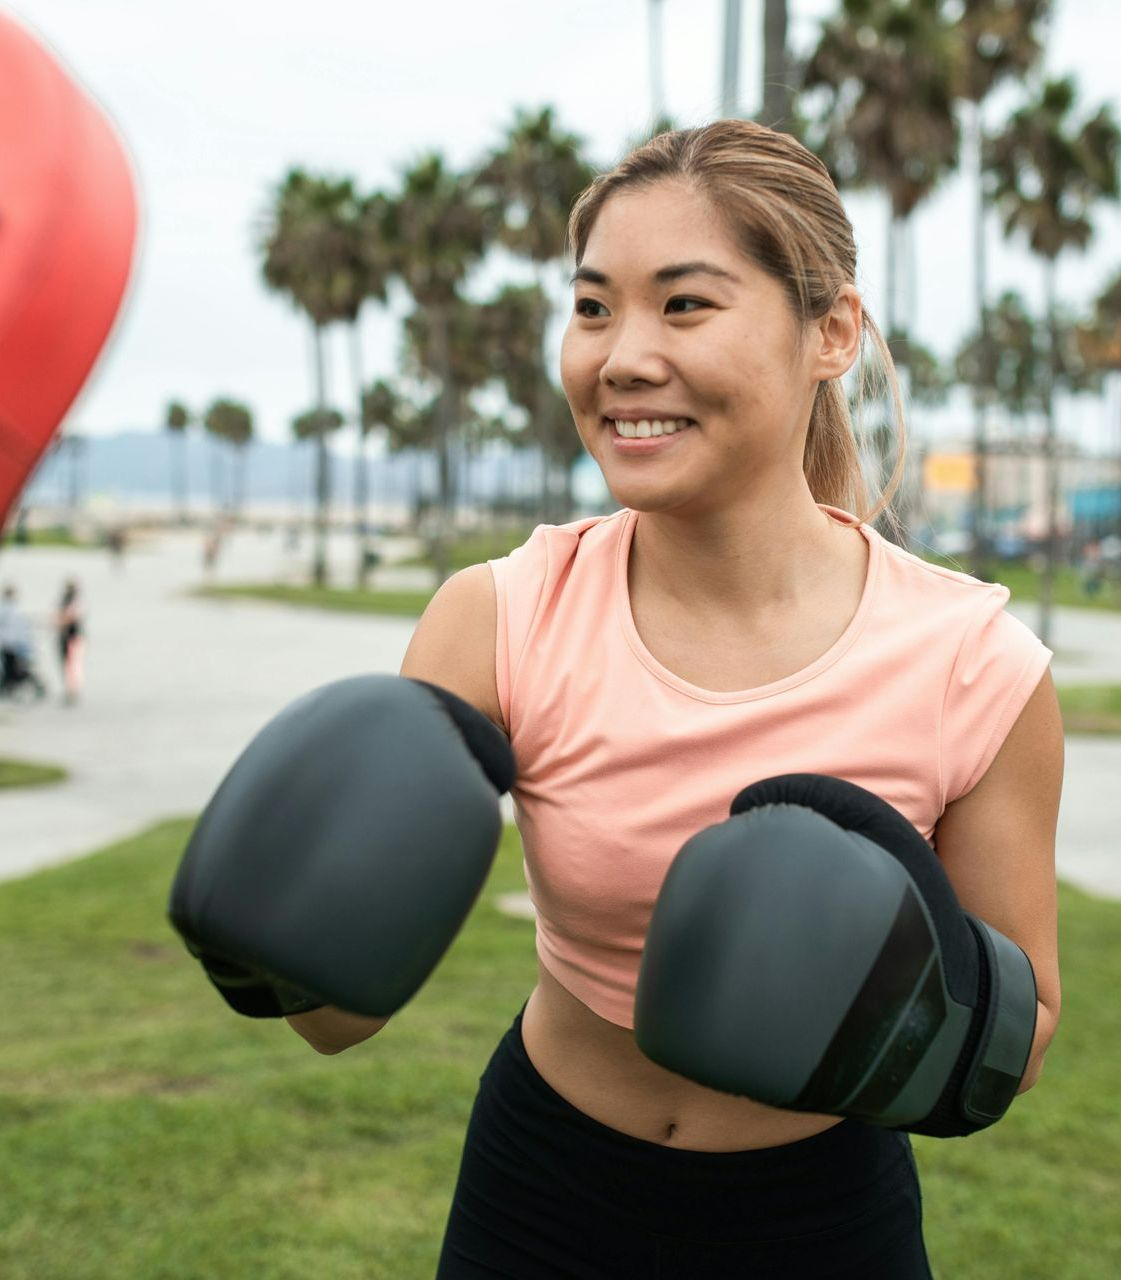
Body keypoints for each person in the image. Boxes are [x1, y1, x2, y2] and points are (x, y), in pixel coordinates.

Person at [285, 120, 1064, 1276]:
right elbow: (334, 1018)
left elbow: (1022, 1031)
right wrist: (286, 940)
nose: (620, 357)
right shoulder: (501, 613)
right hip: (543, 1192)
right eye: (593, 307)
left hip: (819, 1221)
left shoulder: (972, 663)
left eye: (684, 304)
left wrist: (883, 996)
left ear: (830, 332)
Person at [0, 583, 46, 699]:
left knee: (12, 668)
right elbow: (23, 631)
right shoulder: (17, 610)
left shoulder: (6, 610)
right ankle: (8, 687)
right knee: (15, 668)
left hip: (8, 645)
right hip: (15, 645)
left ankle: (9, 688)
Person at [54, 578, 85, 704]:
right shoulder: (70, 601)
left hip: (71, 637)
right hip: (69, 637)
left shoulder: (72, 602)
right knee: (70, 666)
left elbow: (70, 617)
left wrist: (60, 622)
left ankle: (72, 691)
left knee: (71, 666)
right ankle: (71, 690)